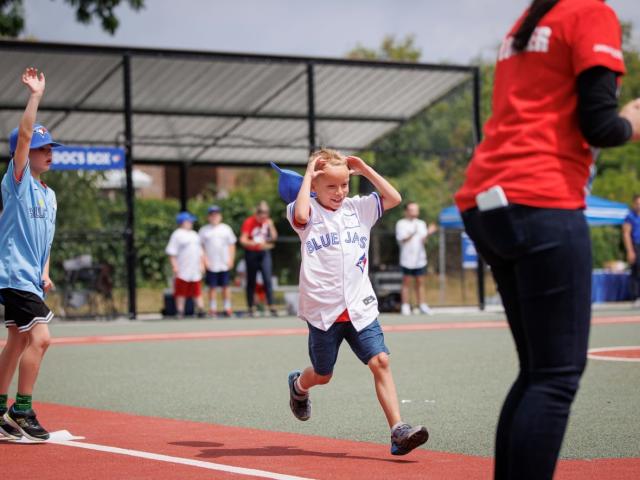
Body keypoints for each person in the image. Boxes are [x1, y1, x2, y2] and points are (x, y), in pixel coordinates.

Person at [454, 1, 640, 478]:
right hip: (542, 198)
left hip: (487, 200)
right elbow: (599, 124)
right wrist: (633, 122)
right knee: (555, 377)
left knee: (538, 373)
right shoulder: (590, 13)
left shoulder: (528, 21)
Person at [285, 148, 428, 456]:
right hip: (324, 311)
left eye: (344, 185)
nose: (339, 192)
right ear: (315, 186)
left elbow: (393, 198)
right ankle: (299, 386)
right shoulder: (305, 211)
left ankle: (398, 431)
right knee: (323, 374)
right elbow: (299, 216)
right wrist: (310, 171)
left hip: (360, 307)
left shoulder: (359, 208)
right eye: (331, 186)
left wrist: (364, 169)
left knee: (381, 361)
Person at [0, 68, 62, 442]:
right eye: (43, 147)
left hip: (30, 277)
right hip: (12, 273)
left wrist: (46, 270)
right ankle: (22, 409)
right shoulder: (17, 181)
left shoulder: (49, 195)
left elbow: (46, 240)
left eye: (50, 147)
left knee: (18, 341)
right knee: (41, 338)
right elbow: (24, 135)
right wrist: (35, 96)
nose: (48, 152)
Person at [395, 202, 437, 315]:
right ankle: (405, 306)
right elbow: (402, 239)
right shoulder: (401, 223)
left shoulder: (421, 223)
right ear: (406, 211)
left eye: (416, 209)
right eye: (412, 209)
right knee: (406, 283)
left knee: (420, 282)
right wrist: (413, 232)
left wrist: (428, 233)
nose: (415, 212)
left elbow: (423, 240)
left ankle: (422, 305)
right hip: (406, 259)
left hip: (420, 259)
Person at [239, 201, 278, 316]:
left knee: (267, 279)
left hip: (264, 253)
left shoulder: (267, 222)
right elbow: (243, 240)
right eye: (261, 212)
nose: (264, 215)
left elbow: (274, 238)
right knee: (251, 280)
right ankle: (251, 306)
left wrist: (270, 225)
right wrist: (255, 244)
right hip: (252, 253)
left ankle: (271, 305)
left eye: (266, 212)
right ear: (257, 212)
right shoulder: (249, 222)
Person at [166, 211, 206, 317]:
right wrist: (175, 266)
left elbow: (200, 251)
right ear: (182, 222)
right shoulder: (177, 234)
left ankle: (201, 310)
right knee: (181, 292)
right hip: (183, 269)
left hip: (195, 269)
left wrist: (202, 264)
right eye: (189, 221)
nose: (191, 223)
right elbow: (171, 252)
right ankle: (180, 311)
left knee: (197, 291)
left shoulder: (194, 234)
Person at [199, 205, 237, 317]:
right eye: (212, 215)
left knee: (226, 286)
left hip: (224, 263)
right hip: (211, 264)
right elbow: (201, 247)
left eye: (216, 214)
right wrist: (204, 260)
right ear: (208, 217)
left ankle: (227, 307)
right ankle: (212, 308)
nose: (214, 217)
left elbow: (232, 245)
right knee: (212, 287)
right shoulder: (204, 230)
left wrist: (231, 258)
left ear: (220, 216)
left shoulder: (226, 229)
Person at [622, 194, 640, 307]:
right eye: (637, 203)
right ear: (633, 204)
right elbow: (626, 233)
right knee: (636, 271)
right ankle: (636, 297)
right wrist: (630, 251)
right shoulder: (630, 216)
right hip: (635, 245)